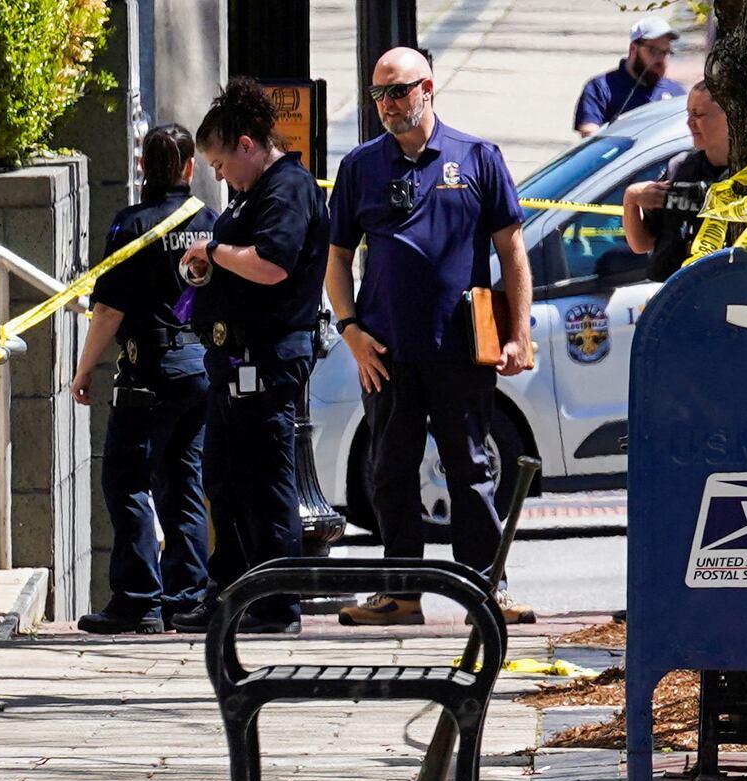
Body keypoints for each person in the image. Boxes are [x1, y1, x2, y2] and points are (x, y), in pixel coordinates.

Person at [327, 47, 536, 626]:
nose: (387, 105)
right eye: (377, 95)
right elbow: (337, 258)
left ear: (428, 89)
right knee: (389, 472)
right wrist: (351, 331)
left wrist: (518, 333)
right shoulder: (360, 167)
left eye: (397, 91)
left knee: (470, 469)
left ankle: (485, 590)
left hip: (460, 348)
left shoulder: (477, 158)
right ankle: (400, 594)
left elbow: (512, 253)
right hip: (386, 352)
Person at [169, 77, 330, 635]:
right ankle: (233, 591)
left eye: (219, 162)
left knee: (264, 479)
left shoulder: (287, 189)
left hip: (264, 357)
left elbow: (273, 264)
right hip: (232, 359)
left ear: (246, 144)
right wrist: (205, 267)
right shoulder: (252, 195)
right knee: (226, 478)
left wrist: (214, 249)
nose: (217, 175)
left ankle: (276, 601)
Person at [71, 124, 217, 635]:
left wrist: (84, 368)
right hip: (198, 368)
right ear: (189, 168)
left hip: (148, 373)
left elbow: (108, 307)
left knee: (126, 480)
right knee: (183, 484)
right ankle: (187, 599)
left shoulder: (131, 226)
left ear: (141, 168)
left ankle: (138, 600)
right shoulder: (207, 221)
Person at [622, 81, 731, 282]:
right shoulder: (680, 168)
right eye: (689, 114)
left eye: (698, 114)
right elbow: (642, 243)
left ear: (728, 116)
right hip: (675, 291)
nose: (690, 123)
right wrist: (631, 199)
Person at [573, 15, 687, 137]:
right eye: (654, 51)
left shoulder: (676, 92)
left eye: (666, 52)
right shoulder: (601, 88)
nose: (661, 59)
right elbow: (590, 137)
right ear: (633, 48)